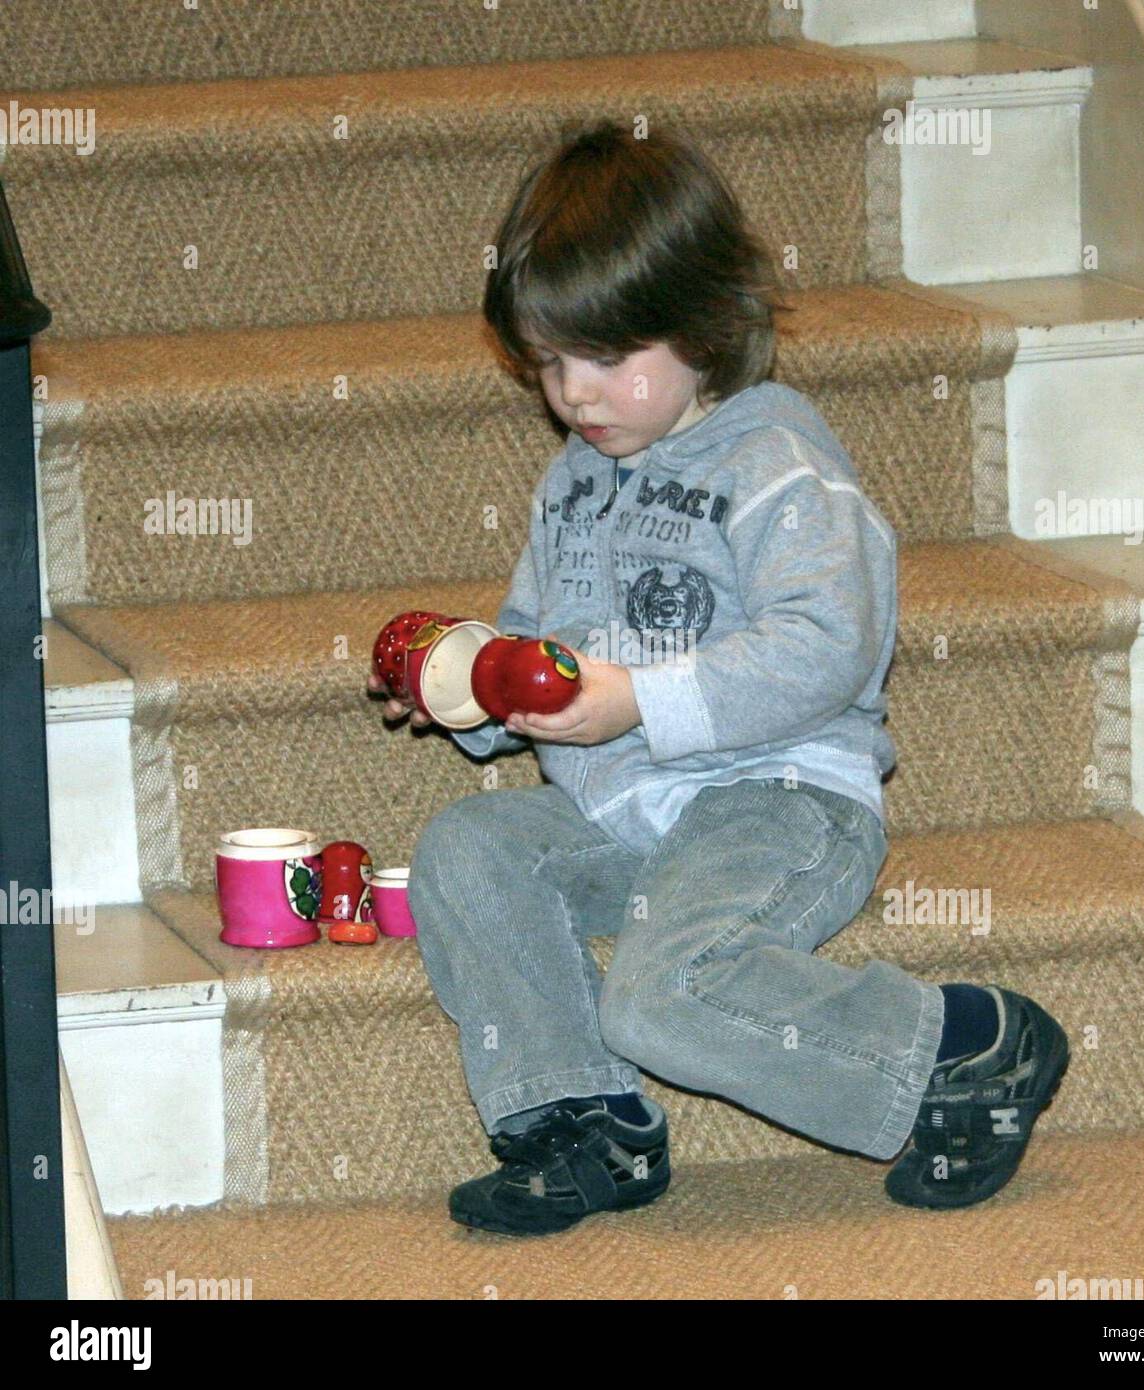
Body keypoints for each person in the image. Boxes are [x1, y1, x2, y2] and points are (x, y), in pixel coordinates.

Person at [370, 118, 1069, 1237]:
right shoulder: (571, 484)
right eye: (550, 362)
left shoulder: (777, 461)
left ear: (700, 327)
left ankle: (963, 1045)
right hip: (626, 813)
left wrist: (639, 700)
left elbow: (826, 644)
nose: (574, 393)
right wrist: (473, 688)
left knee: (661, 993)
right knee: (470, 844)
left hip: (777, 799)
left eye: (604, 357)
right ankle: (579, 1114)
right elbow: (536, 648)